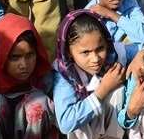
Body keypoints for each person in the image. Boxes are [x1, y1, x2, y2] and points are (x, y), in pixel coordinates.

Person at [52, 10, 128, 138]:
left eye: (100, 49)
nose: (95, 59)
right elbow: (65, 123)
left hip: (110, 132)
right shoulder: (64, 76)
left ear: (107, 43)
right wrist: (103, 90)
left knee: (119, 89)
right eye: (85, 52)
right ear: (69, 52)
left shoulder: (113, 54)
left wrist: (140, 57)